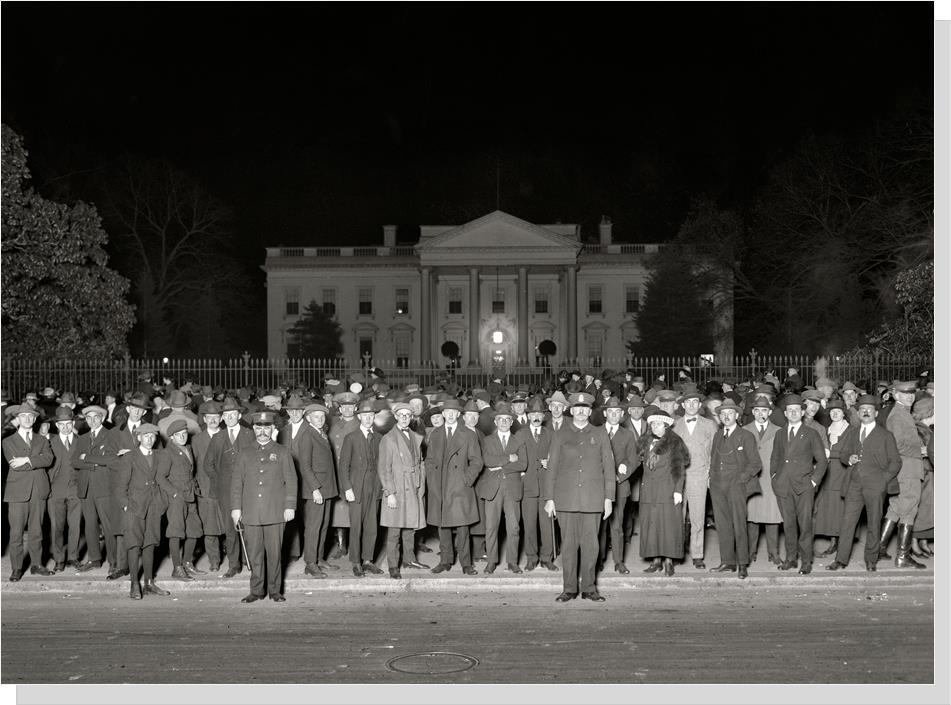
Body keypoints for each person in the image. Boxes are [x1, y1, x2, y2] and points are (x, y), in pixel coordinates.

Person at [544, 392, 615, 602]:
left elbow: (609, 469)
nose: (581, 411)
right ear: (571, 411)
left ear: (590, 412)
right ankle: (569, 589)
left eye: (585, 408)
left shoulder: (601, 434)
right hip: (566, 500)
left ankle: (589, 588)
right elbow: (552, 469)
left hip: (593, 500)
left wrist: (608, 498)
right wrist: (549, 498)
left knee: (591, 546)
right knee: (568, 546)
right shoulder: (560, 435)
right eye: (577, 408)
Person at [826, 395, 901, 572]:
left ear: (875, 413)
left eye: (869, 410)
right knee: (847, 523)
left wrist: (883, 480)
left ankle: (871, 559)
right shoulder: (852, 432)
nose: (866, 412)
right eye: (862, 410)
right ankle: (841, 560)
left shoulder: (885, 435)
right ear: (858, 413)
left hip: (875, 486)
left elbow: (896, 462)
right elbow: (843, 454)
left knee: (874, 523)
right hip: (854, 485)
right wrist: (848, 459)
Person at [230, 411, 298, 603]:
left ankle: (275, 590)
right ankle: (256, 590)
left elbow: (291, 482)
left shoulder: (283, 452)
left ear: (272, 429)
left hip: (275, 512)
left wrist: (290, 506)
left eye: (266, 428)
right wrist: (236, 509)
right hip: (250, 512)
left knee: (275, 554)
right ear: (253, 429)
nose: (262, 431)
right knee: (255, 554)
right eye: (258, 428)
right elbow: (236, 483)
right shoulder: (244, 453)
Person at [770, 394, 828, 574]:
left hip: (804, 486)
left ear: (802, 412)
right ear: (785, 414)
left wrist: (813, 481)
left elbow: (822, 461)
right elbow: (775, 458)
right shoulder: (780, 433)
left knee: (805, 525)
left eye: (797, 410)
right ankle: (790, 558)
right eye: (790, 411)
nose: (793, 413)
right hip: (783, 486)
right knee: (788, 525)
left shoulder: (811, 433)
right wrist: (774, 477)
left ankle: (806, 561)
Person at [115, 423, 174, 599]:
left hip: (154, 506)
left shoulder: (159, 456)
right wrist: (126, 505)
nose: (149, 439)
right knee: (134, 544)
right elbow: (120, 487)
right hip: (135, 507)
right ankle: (134, 583)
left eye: (152, 436)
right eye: (145, 436)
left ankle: (149, 583)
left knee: (150, 543)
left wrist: (162, 502)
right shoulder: (129, 457)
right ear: (138, 437)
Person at [425, 399, 483, 575]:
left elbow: (477, 461)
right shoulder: (435, 434)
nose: (450, 415)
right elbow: (429, 461)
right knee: (443, 526)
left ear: (459, 414)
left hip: (460, 486)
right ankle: (445, 560)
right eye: (446, 412)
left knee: (462, 526)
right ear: (442, 414)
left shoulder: (468, 434)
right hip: (440, 485)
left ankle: (466, 563)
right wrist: (432, 481)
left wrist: (467, 479)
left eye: (453, 412)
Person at [708, 399, 761, 579]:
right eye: (723, 414)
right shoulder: (717, 435)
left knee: (739, 524)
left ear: (737, 416)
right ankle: (728, 561)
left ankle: (743, 564)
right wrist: (711, 478)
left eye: (730, 413)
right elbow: (713, 458)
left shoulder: (745, 436)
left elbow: (756, 464)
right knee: (722, 525)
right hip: (717, 486)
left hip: (736, 486)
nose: (726, 416)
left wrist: (741, 479)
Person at [205, 398, 255, 578]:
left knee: (249, 525)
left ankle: (251, 561)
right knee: (230, 527)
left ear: (239, 415)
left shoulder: (250, 434)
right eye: (226, 415)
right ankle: (234, 565)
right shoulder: (218, 438)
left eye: (233, 414)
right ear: (223, 418)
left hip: (248, 488)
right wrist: (220, 482)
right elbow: (207, 465)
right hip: (225, 491)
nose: (230, 417)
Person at [2, 406, 54, 580]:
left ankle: (37, 564)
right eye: (23, 416)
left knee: (37, 530)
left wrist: (27, 459)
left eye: (30, 416)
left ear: (34, 420)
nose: (26, 419)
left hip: (38, 490)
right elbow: (14, 464)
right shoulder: (8, 441)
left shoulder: (43, 440)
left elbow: (48, 459)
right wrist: (34, 459)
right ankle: (17, 568)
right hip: (17, 492)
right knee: (16, 533)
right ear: (18, 419)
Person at [880, 381, 926, 569]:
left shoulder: (901, 414)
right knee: (909, 510)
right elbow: (898, 445)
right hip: (908, 470)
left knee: (896, 508)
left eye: (912, 393)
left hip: (904, 470)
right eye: (904, 393)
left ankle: (879, 549)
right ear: (895, 395)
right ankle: (902, 556)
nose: (909, 396)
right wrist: (921, 450)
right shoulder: (898, 416)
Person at [378, 402, 427, 579]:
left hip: (412, 488)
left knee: (410, 528)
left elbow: (420, 463)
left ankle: (409, 559)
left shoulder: (416, 437)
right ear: (396, 417)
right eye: (402, 415)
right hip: (397, 490)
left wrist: (420, 485)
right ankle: (393, 566)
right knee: (394, 531)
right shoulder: (389, 439)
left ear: (411, 417)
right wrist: (389, 493)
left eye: (408, 415)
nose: (405, 418)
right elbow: (384, 469)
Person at [635, 409, 687, 577]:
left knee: (669, 526)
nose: (656, 426)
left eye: (659, 424)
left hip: (667, 489)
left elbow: (679, 468)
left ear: (666, 425)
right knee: (652, 525)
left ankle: (669, 561)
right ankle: (656, 561)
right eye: (653, 424)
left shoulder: (675, 442)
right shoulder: (645, 441)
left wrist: (678, 491)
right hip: (649, 490)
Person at [478, 401, 527, 574]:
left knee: (514, 527)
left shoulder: (519, 440)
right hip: (493, 489)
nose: (504, 422)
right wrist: (508, 459)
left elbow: (522, 464)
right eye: (501, 419)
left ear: (512, 422)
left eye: (507, 419)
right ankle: (491, 561)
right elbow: (487, 461)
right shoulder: (487, 440)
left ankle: (512, 562)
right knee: (491, 527)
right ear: (495, 421)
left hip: (512, 489)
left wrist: (499, 464)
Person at [337, 400, 384, 577]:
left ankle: (368, 560)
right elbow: (343, 466)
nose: (368, 418)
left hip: (375, 487)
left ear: (374, 417)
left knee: (372, 525)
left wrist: (383, 487)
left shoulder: (379, 438)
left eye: (371, 416)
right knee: (356, 525)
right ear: (359, 417)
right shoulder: (351, 437)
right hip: (356, 488)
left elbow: (383, 464)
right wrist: (347, 488)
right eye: (365, 416)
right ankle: (356, 562)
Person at [672, 389, 718, 569]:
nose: (691, 405)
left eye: (695, 403)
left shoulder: (709, 425)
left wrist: (710, 475)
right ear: (682, 405)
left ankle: (697, 554)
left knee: (698, 517)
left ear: (699, 406)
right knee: (677, 517)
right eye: (687, 403)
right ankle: (676, 552)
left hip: (699, 475)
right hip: (678, 477)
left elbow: (715, 452)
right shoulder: (674, 425)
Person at [598, 397, 638, 574]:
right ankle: (598, 559)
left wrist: (620, 475)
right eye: (610, 412)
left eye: (617, 413)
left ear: (622, 415)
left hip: (620, 486)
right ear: (605, 413)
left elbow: (634, 460)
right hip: (598, 487)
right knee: (600, 525)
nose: (614, 415)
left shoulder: (627, 435)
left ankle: (618, 561)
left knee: (617, 524)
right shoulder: (596, 432)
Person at [299, 403, 339, 578]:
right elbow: (305, 466)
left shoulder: (321, 433)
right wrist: (315, 489)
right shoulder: (307, 436)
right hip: (316, 489)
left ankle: (319, 557)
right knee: (314, 527)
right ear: (308, 418)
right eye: (316, 416)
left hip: (327, 487)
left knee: (323, 525)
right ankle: (310, 562)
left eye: (322, 416)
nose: (320, 419)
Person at [743, 398, 783, 565]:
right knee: (751, 518)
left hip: (770, 478)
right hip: (751, 479)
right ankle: (750, 552)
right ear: (753, 412)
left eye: (764, 411)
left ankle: (773, 553)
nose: (761, 414)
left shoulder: (779, 431)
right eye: (757, 410)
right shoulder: (744, 430)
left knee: (772, 517)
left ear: (770, 412)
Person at [520, 396, 557, 572]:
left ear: (544, 417)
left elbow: (558, 459)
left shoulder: (551, 435)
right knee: (529, 525)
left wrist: (550, 463)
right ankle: (531, 558)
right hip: (527, 487)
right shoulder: (519, 434)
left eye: (539, 414)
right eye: (533, 414)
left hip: (545, 487)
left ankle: (546, 558)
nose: (536, 417)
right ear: (528, 416)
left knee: (546, 525)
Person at [73, 405, 111, 572]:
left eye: (96, 417)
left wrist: (87, 459)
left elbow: (110, 460)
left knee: (109, 526)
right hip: (86, 487)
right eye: (89, 418)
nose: (93, 420)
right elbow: (74, 462)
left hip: (104, 487)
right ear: (86, 420)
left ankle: (114, 561)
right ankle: (94, 558)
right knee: (90, 525)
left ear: (102, 418)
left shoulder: (110, 436)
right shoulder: (82, 438)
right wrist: (95, 463)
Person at [164, 419, 202, 581]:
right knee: (176, 532)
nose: (182, 437)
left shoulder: (188, 448)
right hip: (177, 499)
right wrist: (173, 493)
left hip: (190, 495)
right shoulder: (168, 453)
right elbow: (161, 477)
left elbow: (190, 473)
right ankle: (177, 568)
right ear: (172, 437)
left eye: (184, 434)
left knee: (194, 530)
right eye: (178, 435)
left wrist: (196, 488)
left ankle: (187, 562)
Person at [47, 406, 83, 572]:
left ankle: (73, 557)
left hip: (76, 489)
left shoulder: (81, 441)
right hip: (56, 489)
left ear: (73, 423)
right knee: (57, 526)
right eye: (62, 424)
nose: (65, 427)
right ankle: (59, 558)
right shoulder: (49, 443)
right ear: (56, 426)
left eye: (68, 423)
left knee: (75, 525)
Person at [813, 399, 849, 558]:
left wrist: (831, 453)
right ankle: (832, 536)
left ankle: (838, 540)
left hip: (842, 472)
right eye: (832, 411)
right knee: (828, 507)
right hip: (827, 472)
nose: (835, 414)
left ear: (844, 413)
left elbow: (849, 452)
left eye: (838, 411)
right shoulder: (826, 430)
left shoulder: (851, 430)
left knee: (839, 506)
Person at [192, 401, 224, 573]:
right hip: (206, 489)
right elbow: (193, 465)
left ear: (221, 418)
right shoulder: (197, 440)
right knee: (210, 528)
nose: (212, 420)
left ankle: (236, 559)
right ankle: (214, 560)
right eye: (209, 417)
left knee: (231, 526)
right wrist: (197, 487)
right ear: (204, 418)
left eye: (216, 417)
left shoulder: (228, 437)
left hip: (226, 489)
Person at [910, 396, 934, 558]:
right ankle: (913, 542)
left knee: (929, 508)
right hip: (923, 472)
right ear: (929, 412)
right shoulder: (917, 429)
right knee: (921, 508)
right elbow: (911, 450)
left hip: (930, 471)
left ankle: (923, 541)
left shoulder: (929, 428)